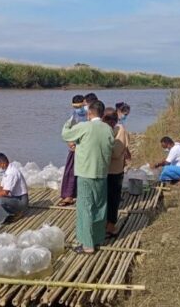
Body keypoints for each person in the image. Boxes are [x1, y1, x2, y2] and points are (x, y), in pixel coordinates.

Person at [62, 100, 114, 254]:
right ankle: (98, 238)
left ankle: (87, 245)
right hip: (102, 173)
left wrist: (70, 120)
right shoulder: (108, 129)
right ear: (102, 113)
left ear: (89, 113)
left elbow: (65, 134)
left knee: (85, 208)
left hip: (86, 173)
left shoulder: (85, 126)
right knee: (100, 206)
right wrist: (79, 145)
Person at [102, 108, 131, 237]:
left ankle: (111, 226)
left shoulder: (120, 130)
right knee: (104, 199)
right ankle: (104, 223)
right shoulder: (103, 130)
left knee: (113, 199)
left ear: (112, 121)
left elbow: (116, 152)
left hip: (114, 170)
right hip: (102, 170)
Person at [58, 94, 86, 207]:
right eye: (75, 107)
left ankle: (82, 196)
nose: (78, 109)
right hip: (75, 147)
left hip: (86, 147)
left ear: (84, 103)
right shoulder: (73, 115)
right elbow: (67, 130)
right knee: (71, 171)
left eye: (79, 106)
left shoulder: (90, 114)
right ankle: (69, 196)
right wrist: (70, 142)